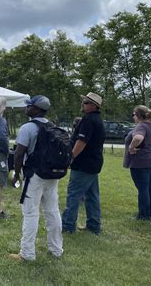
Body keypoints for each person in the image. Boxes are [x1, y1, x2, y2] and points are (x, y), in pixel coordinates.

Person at [10, 95, 63, 261]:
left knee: (30, 213)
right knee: (52, 211)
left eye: (29, 106)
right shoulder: (53, 126)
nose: (27, 108)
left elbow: (19, 154)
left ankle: (27, 253)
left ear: (37, 109)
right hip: (52, 175)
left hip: (34, 175)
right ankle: (56, 249)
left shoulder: (28, 128)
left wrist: (16, 173)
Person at [62, 92, 105, 235]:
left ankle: (67, 226)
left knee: (73, 195)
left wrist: (71, 157)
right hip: (93, 163)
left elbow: (81, 141)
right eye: (83, 102)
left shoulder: (87, 120)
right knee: (92, 196)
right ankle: (94, 225)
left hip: (83, 164)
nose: (83, 104)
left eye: (86, 102)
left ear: (94, 105)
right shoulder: (97, 119)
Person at [124, 105, 151, 220]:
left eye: (133, 115)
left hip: (142, 163)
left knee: (143, 189)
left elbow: (138, 138)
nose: (133, 117)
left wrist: (131, 147)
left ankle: (143, 215)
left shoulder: (140, 126)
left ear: (138, 115)